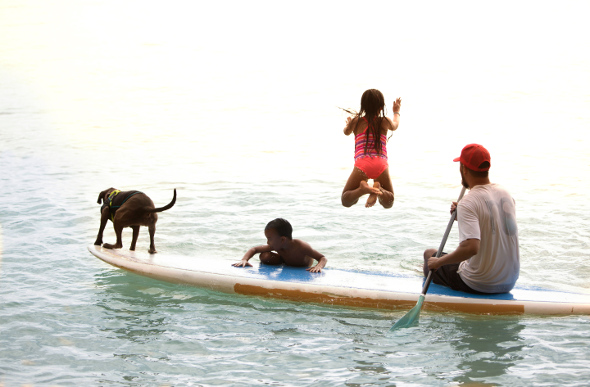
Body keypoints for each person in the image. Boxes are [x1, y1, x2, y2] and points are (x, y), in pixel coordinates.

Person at [423, 144, 520, 294]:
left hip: (478, 283)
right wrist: (461, 215)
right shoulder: (505, 193)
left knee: (429, 255)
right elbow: (494, 225)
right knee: (450, 259)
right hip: (510, 281)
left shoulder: (468, 202)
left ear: (464, 169)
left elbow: (471, 248)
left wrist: (439, 262)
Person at [341, 89, 401, 208]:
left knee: (346, 199)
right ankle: (379, 190)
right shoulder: (384, 121)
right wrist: (396, 111)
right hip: (380, 163)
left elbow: (346, 132)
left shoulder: (356, 121)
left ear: (363, 106)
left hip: (362, 164)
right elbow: (395, 124)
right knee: (388, 202)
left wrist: (349, 124)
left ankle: (362, 190)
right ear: (380, 107)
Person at [233, 218, 327, 273]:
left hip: (302, 266)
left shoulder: (301, 246)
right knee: (265, 256)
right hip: (285, 262)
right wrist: (244, 259)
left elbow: (322, 258)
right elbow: (254, 249)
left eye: (269, 238)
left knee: (265, 255)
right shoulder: (277, 245)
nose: (267, 242)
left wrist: (318, 266)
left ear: (282, 239)